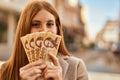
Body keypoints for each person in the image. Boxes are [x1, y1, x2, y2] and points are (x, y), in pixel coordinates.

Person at [0, 0, 88, 80]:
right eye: (35, 24)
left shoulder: (76, 67)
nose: (44, 31)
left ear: (57, 29)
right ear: (24, 30)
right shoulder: (5, 71)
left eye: (50, 24)